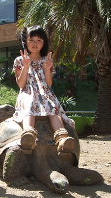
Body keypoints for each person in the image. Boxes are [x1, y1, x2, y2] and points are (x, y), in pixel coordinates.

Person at [12, 25, 76, 154]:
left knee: (52, 107)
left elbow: (48, 84)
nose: (35, 43)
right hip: (27, 92)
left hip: (44, 93)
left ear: (44, 43)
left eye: (39, 40)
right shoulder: (20, 60)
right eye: (32, 40)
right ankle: (28, 134)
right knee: (29, 104)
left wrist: (47, 69)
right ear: (25, 41)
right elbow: (21, 84)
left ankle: (62, 137)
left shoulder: (47, 60)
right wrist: (25, 66)